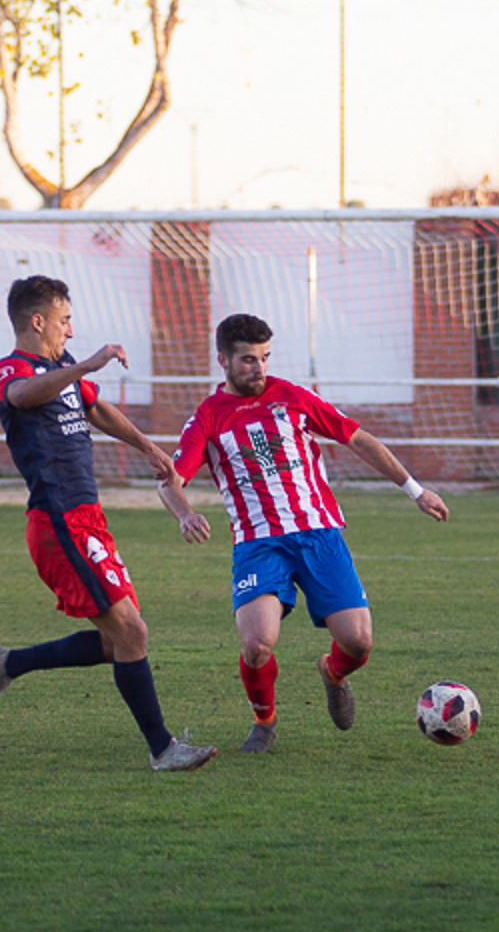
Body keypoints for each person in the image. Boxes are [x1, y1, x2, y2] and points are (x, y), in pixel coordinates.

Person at [156, 313, 449, 753]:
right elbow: (169, 480)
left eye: (265, 358)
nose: (259, 369)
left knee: (358, 641)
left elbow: (358, 438)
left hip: (318, 534)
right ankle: (265, 721)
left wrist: (414, 489)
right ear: (223, 359)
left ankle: (333, 672)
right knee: (257, 643)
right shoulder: (208, 418)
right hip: (259, 543)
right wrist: (183, 513)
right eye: (249, 360)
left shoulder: (292, 396)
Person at [0, 275, 217, 772]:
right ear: (37, 321)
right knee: (132, 633)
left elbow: (95, 406)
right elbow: (23, 397)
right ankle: (163, 749)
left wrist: (147, 446)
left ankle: (9, 664)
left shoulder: (63, 367)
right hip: (58, 522)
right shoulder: (9, 370)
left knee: (118, 641)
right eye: (64, 320)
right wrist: (85, 364)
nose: (70, 329)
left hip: (88, 518)